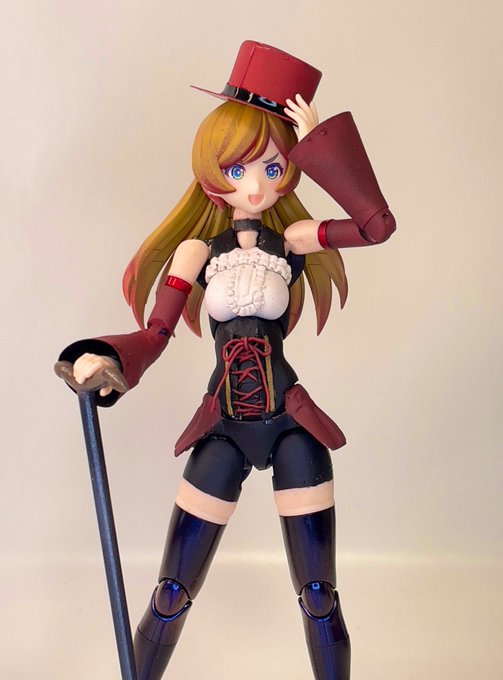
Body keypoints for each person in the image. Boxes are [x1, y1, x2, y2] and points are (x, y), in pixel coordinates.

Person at [60, 41, 396, 680]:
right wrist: (106, 360)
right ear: (214, 169)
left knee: (318, 597)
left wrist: (318, 142)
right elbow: (155, 334)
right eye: (240, 168)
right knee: (171, 594)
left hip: (292, 423)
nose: (257, 185)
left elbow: (375, 225)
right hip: (224, 428)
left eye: (273, 166)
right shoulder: (196, 252)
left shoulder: (293, 241)